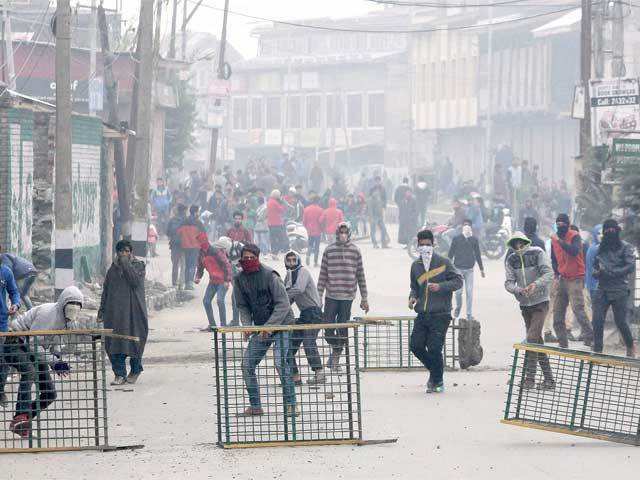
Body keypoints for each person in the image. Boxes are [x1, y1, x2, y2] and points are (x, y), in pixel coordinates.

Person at [4, 286, 83, 438]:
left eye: (76, 307)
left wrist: (58, 360)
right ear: (63, 304)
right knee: (29, 371)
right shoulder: (48, 313)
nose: (73, 311)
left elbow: (54, 343)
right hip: (16, 342)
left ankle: (22, 421)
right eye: (71, 306)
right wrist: (54, 362)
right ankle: (21, 415)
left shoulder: (66, 321)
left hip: (34, 349)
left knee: (49, 393)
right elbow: (33, 342)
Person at [234, 244, 297, 417]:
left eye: (251, 258)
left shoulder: (270, 276)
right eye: (244, 258)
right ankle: (255, 406)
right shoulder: (239, 279)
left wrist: (270, 327)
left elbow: (283, 304)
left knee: (280, 362)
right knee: (247, 364)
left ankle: (291, 404)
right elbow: (242, 306)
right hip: (261, 327)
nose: (247, 261)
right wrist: (247, 326)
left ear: (257, 257)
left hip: (281, 324)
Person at [408, 229, 463, 393]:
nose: (425, 248)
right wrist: (412, 298)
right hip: (422, 313)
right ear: (417, 246)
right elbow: (414, 288)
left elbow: (458, 281)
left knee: (434, 348)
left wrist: (441, 287)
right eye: (422, 245)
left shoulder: (444, 262)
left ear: (434, 245)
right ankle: (436, 372)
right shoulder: (415, 266)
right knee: (415, 345)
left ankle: (437, 381)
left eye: (428, 245)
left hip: (441, 313)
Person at [504, 233, 555, 390]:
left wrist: (535, 285)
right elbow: (508, 283)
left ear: (526, 242)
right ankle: (549, 380)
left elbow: (549, 273)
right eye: (515, 244)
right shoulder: (511, 259)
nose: (518, 247)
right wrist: (519, 290)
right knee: (536, 341)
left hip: (540, 302)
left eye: (521, 243)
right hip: (525, 304)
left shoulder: (538, 253)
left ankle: (529, 378)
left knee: (532, 338)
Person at [317, 222, 369, 371]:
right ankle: (336, 349)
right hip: (331, 295)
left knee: (343, 327)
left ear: (350, 234)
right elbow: (322, 275)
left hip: (347, 296)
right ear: (336, 233)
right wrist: (318, 296)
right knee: (327, 327)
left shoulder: (355, 251)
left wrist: (364, 297)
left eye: (345, 232)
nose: (343, 235)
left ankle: (336, 359)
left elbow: (360, 275)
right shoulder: (329, 250)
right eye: (341, 232)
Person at [98, 240, 148, 386]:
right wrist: (102, 310)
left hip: (134, 314)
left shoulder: (139, 266)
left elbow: (134, 281)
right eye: (121, 252)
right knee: (115, 343)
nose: (124, 254)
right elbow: (106, 290)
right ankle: (119, 374)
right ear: (117, 253)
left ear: (130, 252)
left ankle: (135, 370)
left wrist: (126, 264)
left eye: (126, 251)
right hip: (115, 315)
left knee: (134, 342)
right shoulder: (112, 269)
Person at [591, 219, 636, 357]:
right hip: (602, 288)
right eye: (607, 230)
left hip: (619, 289)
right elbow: (595, 267)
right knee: (597, 320)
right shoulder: (600, 248)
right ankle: (598, 351)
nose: (609, 232)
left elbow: (630, 266)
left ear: (617, 231)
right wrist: (598, 273)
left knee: (621, 321)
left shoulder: (626, 247)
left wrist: (613, 272)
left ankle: (630, 346)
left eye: (612, 230)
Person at [550, 214, 593, 348]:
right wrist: (557, 274)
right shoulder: (554, 240)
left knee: (577, 309)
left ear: (568, 224)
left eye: (563, 223)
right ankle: (563, 343)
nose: (560, 225)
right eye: (558, 223)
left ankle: (590, 338)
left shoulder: (574, 236)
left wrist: (560, 241)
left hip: (576, 278)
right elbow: (554, 259)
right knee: (557, 313)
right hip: (563, 278)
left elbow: (574, 251)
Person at [284, 251, 325, 386]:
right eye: (288, 260)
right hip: (304, 314)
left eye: (293, 260)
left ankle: (319, 373)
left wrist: (282, 296)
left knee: (308, 342)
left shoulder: (303, 272)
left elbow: (298, 290)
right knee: (289, 346)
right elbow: (287, 299)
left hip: (314, 313)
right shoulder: (288, 276)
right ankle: (295, 378)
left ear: (298, 260)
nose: (291, 262)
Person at [522, 217, 555, 342]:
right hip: (538, 287)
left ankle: (536, 359)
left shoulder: (518, 243)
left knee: (531, 326)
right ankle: (540, 359)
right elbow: (545, 265)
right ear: (536, 227)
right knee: (534, 328)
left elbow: (509, 263)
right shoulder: (540, 243)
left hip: (523, 289)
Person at [447, 220, 485, 320]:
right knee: (458, 292)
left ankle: (469, 314)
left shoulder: (474, 240)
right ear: (462, 227)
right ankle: (458, 308)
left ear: (471, 227)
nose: (467, 227)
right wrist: (447, 267)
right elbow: (450, 254)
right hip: (458, 269)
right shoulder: (456, 239)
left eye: (468, 225)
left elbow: (477, 254)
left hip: (469, 270)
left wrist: (481, 269)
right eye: (465, 225)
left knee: (469, 292)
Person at [195, 234, 232, 332]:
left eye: (203, 242)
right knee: (206, 301)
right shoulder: (201, 253)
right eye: (200, 243)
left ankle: (223, 325)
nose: (202, 244)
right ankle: (213, 325)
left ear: (207, 241)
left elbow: (226, 265)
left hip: (222, 281)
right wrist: (198, 277)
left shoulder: (216, 251)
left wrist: (227, 280)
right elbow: (200, 267)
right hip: (213, 281)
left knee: (220, 300)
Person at [0, 262, 20, 407]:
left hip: (1, 323)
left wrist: (16, 304)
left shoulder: (5, 272)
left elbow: (14, 292)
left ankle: (0, 390)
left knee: (3, 359)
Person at [177, 205, 206, 290]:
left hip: (184, 247)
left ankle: (186, 283)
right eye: (198, 212)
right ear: (196, 212)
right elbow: (203, 235)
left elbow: (178, 233)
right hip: (195, 247)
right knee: (192, 265)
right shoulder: (198, 223)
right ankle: (190, 283)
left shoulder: (184, 221)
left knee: (186, 265)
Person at [166, 203, 187, 288]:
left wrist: (173, 236)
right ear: (184, 211)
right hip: (185, 245)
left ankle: (174, 282)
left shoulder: (172, 220)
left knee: (175, 264)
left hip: (174, 245)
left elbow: (167, 232)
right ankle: (181, 283)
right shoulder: (187, 220)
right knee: (183, 265)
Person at [266, 189, 290, 259]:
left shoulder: (269, 201)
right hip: (276, 223)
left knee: (273, 239)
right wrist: (283, 203)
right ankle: (275, 252)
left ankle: (274, 253)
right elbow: (282, 210)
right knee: (281, 239)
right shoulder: (275, 202)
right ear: (277, 195)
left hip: (270, 223)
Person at [302, 195, 323, 267]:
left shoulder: (306, 209)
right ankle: (315, 262)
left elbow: (304, 221)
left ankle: (308, 254)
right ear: (318, 201)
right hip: (318, 230)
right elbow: (321, 221)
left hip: (310, 230)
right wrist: (322, 229)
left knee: (310, 244)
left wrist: (307, 227)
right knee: (317, 246)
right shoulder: (320, 210)